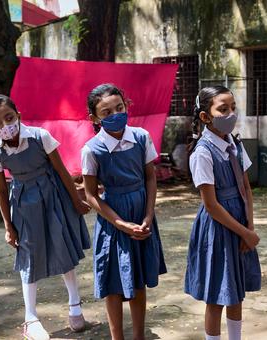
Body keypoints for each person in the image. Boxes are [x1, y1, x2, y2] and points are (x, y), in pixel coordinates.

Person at [0, 94, 91, 340]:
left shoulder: (41, 137)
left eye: (8, 118)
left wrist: (76, 200)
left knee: (62, 246)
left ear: (18, 115)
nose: (4, 125)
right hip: (23, 205)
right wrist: (8, 226)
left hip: (53, 196)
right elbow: (0, 190)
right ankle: (30, 319)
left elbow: (62, 171)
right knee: (28, 255)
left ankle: (75, 305)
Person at [81, 84, 167, 340]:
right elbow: (90, 195)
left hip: (142, 215)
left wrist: (148, 216)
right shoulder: (92, 150)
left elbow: (150, 178)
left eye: (119, 108)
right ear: (94, 118)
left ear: (126, 105)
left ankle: (138, 336)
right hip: (113, 221)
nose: (115, 114)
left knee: (138, 280)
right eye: (106, 112)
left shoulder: (141, 137)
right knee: (113, 285)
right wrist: (120, 224)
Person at [185, 86, 262, 340]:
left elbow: (246, 188)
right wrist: (243, 232)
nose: (230, 114)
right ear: (206, 117)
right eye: (223, 109)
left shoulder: (236, 145)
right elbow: (211, 205)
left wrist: (249, 228)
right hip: (218, 227)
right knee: (217, 294)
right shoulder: (203, 153)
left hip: (240, 222)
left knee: (236, 290)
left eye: (233, 108)